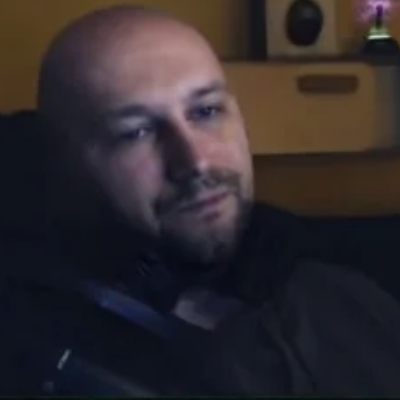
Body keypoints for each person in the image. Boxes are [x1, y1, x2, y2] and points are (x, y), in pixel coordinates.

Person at [2, 4, 400, 396]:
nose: (196, 161)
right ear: (63, 163)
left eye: (206, 111)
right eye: (136, 132)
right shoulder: (35, 347)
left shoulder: (326, 282)